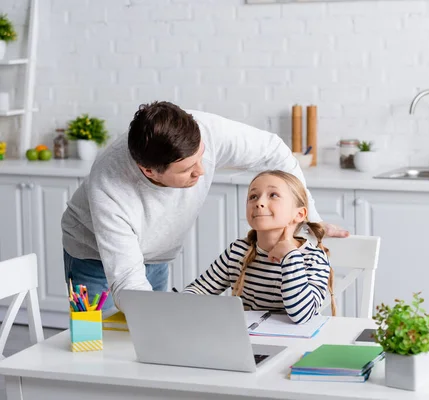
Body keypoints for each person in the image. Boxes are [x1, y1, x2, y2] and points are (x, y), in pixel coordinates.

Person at [62, 101, 348, 311]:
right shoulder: (109, 186)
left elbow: (275, 152)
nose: (201, 172)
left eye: (202, 157)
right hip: (96, 258)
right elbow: (128, 282)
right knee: (102, 350)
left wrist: (308, 221)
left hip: (157, 254)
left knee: (151, 342)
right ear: (149, 171)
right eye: (188, 169)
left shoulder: (205, 130)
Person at [182, 170, 336, 324]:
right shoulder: (238, 251)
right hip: (247, 343)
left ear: (299, 214)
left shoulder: (314, 259)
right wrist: (178, 303)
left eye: (273, 195)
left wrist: (290, 255)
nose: (259, 202)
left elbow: (302, 315)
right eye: (253, 196)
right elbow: (199, 291)